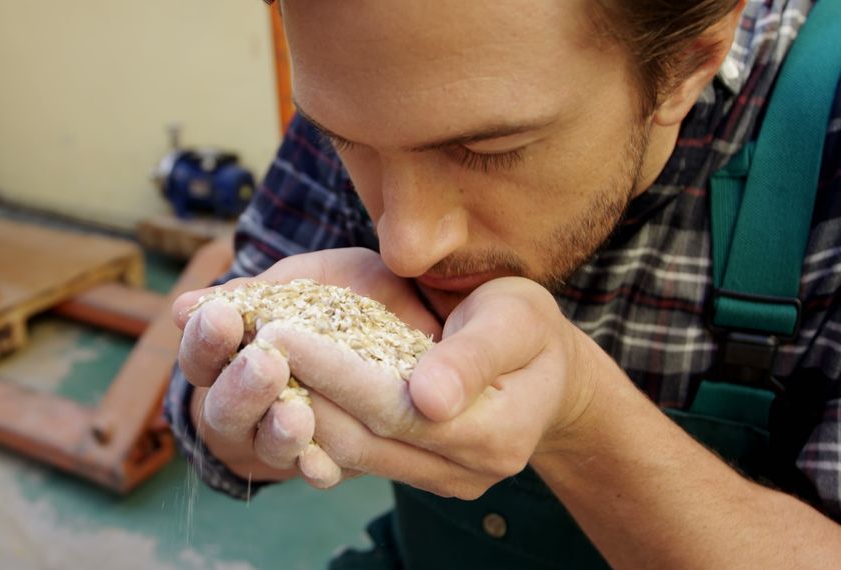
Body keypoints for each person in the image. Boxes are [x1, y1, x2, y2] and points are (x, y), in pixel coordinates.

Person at [165, 0, 841, 567]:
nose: (404, 245)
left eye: (487, 151)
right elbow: (203, 421)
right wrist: (252, 400)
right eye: (347, 142)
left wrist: (579, 417)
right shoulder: (370, 79)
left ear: (686, 66)